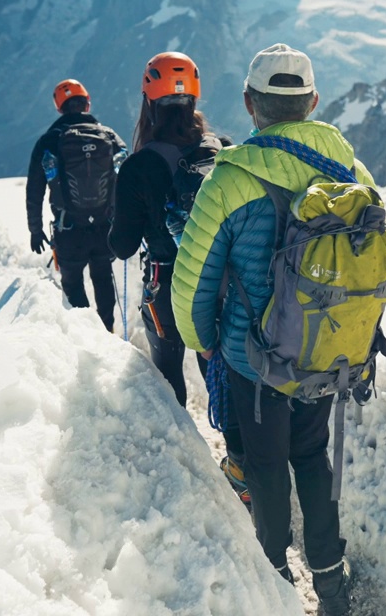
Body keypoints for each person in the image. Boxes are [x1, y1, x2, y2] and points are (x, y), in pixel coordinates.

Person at [172, 44, 371, 613]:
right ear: (312, 102)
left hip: (254, 360)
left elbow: (192, 281)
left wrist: (201, 338)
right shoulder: (353, 172)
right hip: (324, 356)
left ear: (249, 104)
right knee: (312, 456)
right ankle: (332, 583)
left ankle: (275, 578)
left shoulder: (230, 180)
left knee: (264, 465)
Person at [108, 52, 249, 506]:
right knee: (219, 366)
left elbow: (123, 246)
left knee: (169, 372)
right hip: (221, 280)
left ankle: (188, 466)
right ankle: (243, 462)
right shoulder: (220, 147)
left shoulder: (138, 166)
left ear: (149, 97)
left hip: (166, 285)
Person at [26, 78, 126, 331]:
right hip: (106, 226)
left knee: (72, 283)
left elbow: (35, 189)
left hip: (68, 229)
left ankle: (87, 334)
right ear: (87, 104)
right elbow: (126, 179)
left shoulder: (49, 142)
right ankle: (108, 331)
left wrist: (35, 230)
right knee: (103, 278)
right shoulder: (109, 136)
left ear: (60, 109)